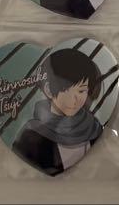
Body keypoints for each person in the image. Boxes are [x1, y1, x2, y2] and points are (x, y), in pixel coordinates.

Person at [13, 48, 103, 176]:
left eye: (82, 91)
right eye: (66, 90)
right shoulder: (30, 136)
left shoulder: (93, 128)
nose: (76, 99)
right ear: (48, 90)